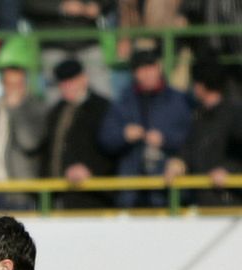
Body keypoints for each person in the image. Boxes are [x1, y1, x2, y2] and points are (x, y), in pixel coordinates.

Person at [97, 48, 192, 208]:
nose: (147, 74)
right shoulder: (123, 102)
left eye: (151, 67)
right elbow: (105, 139)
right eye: (141, 69)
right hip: (131, 194)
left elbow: (193, 138)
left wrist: (166, 140)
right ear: (134, 73)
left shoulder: (178, 101)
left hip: (168, 194)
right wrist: (124, 136)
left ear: (159, 68)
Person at [165, 60, 242, 207]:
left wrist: (230, 169)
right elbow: (190, 147)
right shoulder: (199, 115)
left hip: (232, 205)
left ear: (200, 86)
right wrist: (180, 161)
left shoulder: (235, 114)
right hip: (205, 203)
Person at [0, 62, 46, 211]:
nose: (13, 89)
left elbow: (29, 142)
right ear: (2, 83)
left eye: (18, 84)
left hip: (21, 191)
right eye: (9, 84)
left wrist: (16, 110)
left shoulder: (36, 108)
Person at [41, 58, 114, 210]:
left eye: (71, 81)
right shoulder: (57, 111)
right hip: (60, 195)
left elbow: (112, 147)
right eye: (63, 83)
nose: (66, 87)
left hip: (93, 196)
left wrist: (91, 169)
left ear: (83, 79)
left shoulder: (102, 108)